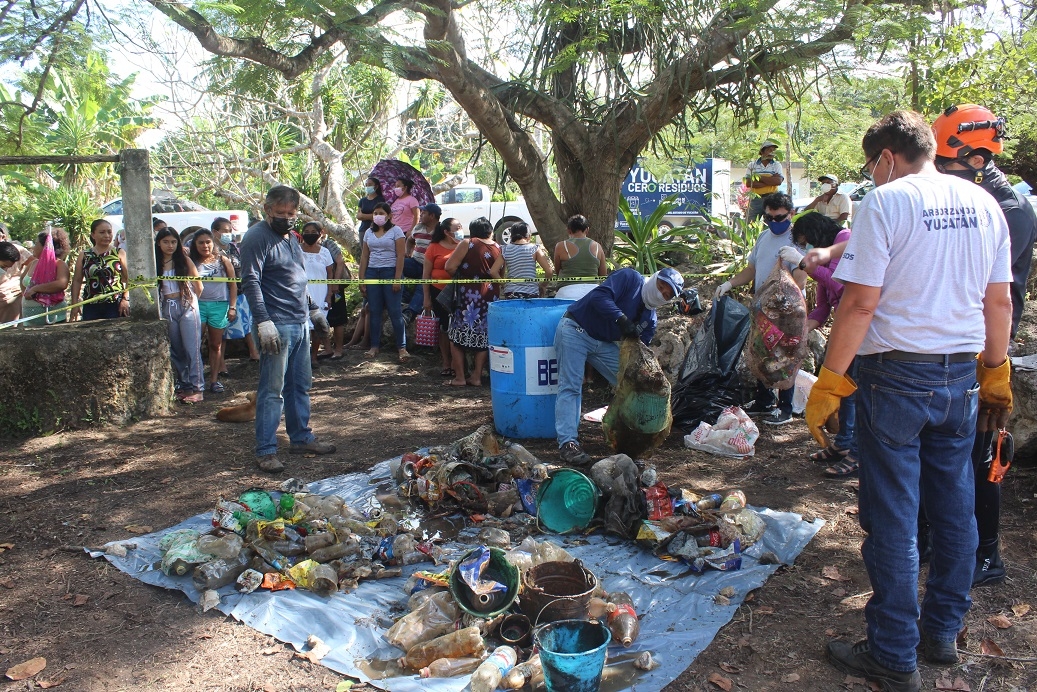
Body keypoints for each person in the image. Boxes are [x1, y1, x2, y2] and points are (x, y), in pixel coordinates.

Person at [805, 110, 1012, 692]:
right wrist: (995, 373)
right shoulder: (984, 204)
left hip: (894, 376)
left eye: (873, 166)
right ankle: (941, 633)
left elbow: (860, 304)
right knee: (955, 507)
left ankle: (894, 653)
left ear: (887, 158)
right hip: (961, 382)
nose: (872, 176)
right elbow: (999, 303)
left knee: (893, 515)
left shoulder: (887, 203)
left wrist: (829, 382)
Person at [927, 104, 1037, 587]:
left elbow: (994, 295)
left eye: (948, 164)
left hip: (986, 347)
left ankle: (987, 553)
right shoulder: (975, 197)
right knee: (947, 454)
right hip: (957, 341)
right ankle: (938, 538)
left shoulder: (1006, 208)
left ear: (975, 156)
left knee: (980, 452)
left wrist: (994, 368)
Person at [239, 185, 336, 473]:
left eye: (291, 213)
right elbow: (251, 280)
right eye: (280, 212)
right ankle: (266, 450)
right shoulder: (257, 237)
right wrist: (263, 320)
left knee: (300, 385)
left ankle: (301, 437)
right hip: (276, 323)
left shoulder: (291, 238)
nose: (286, 217)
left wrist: (314, 309)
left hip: (299, 321)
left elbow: (298, 277)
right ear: (267, 209)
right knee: (272, 389)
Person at [554, 267, 684, 465]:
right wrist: (620, 318)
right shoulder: (630, 279)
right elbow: (599, 296)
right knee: (571, 385)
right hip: (576, 330)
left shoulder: (650, 320)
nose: (660, 294)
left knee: (639, 384)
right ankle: (568, 443)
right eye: (660, 287)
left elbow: (638, 354)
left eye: (666, 295)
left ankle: (630, 443)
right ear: (655, 278)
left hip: (604, 344)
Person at [714, 192, 807, 425]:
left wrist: (798, 261)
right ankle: (764, 402)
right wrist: (729, 283)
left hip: (788, 313)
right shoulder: (764, 237)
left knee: (786, 356)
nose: (774, 223)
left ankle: (785, 407)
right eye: (769, 218)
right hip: (764, 311)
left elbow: (802, 280)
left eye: (780, 218)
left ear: (791, 214)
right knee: (762, 354)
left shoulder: (799, 240)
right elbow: (752, 270)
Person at [787, 213, 858, 476]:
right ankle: (844, 444)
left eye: (806, 242)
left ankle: (857, 453)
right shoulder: (822, 260)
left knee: (856, 391)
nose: (806, 249)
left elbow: (840, 284)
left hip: (860, 329)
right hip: (843, 329)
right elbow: (822, 308)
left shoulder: (845, 239)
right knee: (843, 390)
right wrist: (802, 330)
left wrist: (808, 265)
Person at [444, 217, 503, 387]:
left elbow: (449, 267)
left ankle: (460, 377)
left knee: (456, 336)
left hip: (467, 293)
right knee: (483, 336)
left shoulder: (467, 243)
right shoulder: (499, 247)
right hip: (490, 294)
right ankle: (476, 376)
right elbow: (501, 274)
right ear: (490, 231)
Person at [155, 227, 205, 403]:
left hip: (187, 305)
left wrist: (191, 303)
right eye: (166, 242)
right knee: (176, 349)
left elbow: (199, 286)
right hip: (167, 307)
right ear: (159, 243)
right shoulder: (155, 263)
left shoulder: (184, 261)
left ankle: (198, 388)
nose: (170, 246)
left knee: (192, 348)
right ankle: (185, 386)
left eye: (174, 242)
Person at [359, 202, 409, 361]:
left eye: (381, 213)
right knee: (374, 311)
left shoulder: (397, 231)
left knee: (395, 311)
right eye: (375, 213)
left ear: (389, 215)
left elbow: (401, 255)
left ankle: (402, 348)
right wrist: (362, 279)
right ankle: (374, 346)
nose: (377, 216)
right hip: (372, 273)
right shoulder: (368, 232)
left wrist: (397, 278)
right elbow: (364, 256)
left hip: (390, 271)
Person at [189, 228, 237, 393]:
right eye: (200, 242)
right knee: (195, 343)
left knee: (215, 344)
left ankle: (214, 380)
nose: (205, 246)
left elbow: (233, 285)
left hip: (220, 306)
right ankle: (195, 379)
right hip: (198, 305)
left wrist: (232, 307)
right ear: (195, 244)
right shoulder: (191, 261)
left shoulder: (223, 260)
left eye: (208, 242)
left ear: (213, 242)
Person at [213, 217, 260, 363]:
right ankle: (221, 364)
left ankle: (254, 353)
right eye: (225, 231)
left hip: (240, 293)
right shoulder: (210, 249)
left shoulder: (233, 248)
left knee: (247, 325)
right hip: (221, 296)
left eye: (230, 231)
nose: (228, 234)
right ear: (215, 232)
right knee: (221, 331)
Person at [422, 217, 462, 376]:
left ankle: (458, 363)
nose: (460, 230)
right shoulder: (433, 248)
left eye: (460, 227)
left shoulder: (463, 245)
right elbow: (425, 275)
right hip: (438, 292)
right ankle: (446, 361)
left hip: (459, 292)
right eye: (456, 227)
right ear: (446, 232)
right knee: (444, 327)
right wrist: (426, 298)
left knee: (457, 326)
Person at [70, 219, 130, 321]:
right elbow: (77, 280)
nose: (106, 235)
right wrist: (74, 303)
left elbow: (130, 279)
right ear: (93, 235)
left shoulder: (119, 253)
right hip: (91, 304)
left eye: (109, 232)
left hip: (114, 304)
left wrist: (125, 299)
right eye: (102, 232)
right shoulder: (84, 255)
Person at [299, 221, 335, 367]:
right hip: (300, 293)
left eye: (313, 231)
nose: (309, 234)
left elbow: (330, 274)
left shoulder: (325, 252)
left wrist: (329, 295)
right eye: (306, 231)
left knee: (318, 327)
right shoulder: (296, 250)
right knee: (302, 326)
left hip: (320, 293)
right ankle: (302, 357)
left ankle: (313, 356)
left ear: (320, 233)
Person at [20, 229, 71, 326]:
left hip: (53, 318)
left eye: (36, 244)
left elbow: (61, 283)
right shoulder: (33, 263)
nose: (33, 248)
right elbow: (23, 281)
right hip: (29, 320)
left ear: (46, 246)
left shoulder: (59, 264)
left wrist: (35, 289)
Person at [402, 203, 441, 321]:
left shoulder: (441, 230)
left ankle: (410, 313)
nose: (421, 214)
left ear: (432, 216)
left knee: (422, 288)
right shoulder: (418, 227)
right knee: (395, 265)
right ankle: (403, 296)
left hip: (431, 268)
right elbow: (409, 240)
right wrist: (407, 252)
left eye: (424, 213)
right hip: (415, 262)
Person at [552, 215, 606, 296]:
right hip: (593, 291)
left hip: (567, 291)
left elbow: (557, 271)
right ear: (587, 229)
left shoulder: (560, 246)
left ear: (569, 230)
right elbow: (603, 274)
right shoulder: (597, 246)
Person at [501, 222, 553, 298]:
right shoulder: (534, 249)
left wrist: (504, 284)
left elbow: (493, 271)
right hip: (531, 292)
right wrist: (543, 285)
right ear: (529, 235)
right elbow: (549, 271)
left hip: (511, 292)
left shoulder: (505, 249)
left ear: (511, 236)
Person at [743, 140, 785, 223]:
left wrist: (758, 177)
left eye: (773, 150)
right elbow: (748, 183)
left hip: (771, 198)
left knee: (771, 223)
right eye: (769, 150)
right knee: (749, 223)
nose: (772, 152)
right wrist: (770, 180)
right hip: (755, 199)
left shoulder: (776, 165)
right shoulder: (752, 165)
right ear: (762, 151)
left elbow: (778, 181)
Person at [356, 177, 386, 247]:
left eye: (369, 184)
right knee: (364, 252)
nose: (367, 186)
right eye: (366, 185)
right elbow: (358, 216)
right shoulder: (362, 200)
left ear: (376, 186)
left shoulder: (380, 200)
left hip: (377, 230)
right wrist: (371, 216)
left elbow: (379, 216)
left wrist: (363, 216)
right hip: (363, 230)